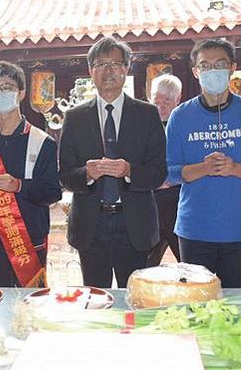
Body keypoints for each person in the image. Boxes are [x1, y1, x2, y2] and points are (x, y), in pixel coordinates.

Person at [166, 39, 241, 288]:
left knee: (235, 302)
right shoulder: (181, 116)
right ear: (195, 72)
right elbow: (169, 172)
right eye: (205, 65)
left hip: (238, 226)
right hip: (194, 227)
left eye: (220, 64)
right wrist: (203, 168)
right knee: (197, 303)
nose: (212, 70)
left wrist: (234, 168)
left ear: (232, 68)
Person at [59, 36, 167, 288]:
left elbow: (158, 172)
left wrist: (130, 171)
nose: (109, 71)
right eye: (101, 64)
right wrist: (87, 173)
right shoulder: (75, 117)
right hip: (90, 224)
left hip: (135, 224)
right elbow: (63, 174)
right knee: (96, 298)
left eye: (116, 64)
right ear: (90, 71)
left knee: (136, 297)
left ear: (127, 69)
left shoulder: (147, 114)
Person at [0, 62, 62, 287]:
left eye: (7, 87)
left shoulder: (42, 141)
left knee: (31, 306)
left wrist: (18, 185)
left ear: (21, 93)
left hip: (29, 241)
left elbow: (52, 193)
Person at [147, 74, 182, 267]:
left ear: (178, 99)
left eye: (167, 102)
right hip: (151, 203)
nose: (160, 107)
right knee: (145, 266)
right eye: (156, 101)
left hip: (178, 201)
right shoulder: (144, 125)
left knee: (188, 264)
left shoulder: (184, 125)